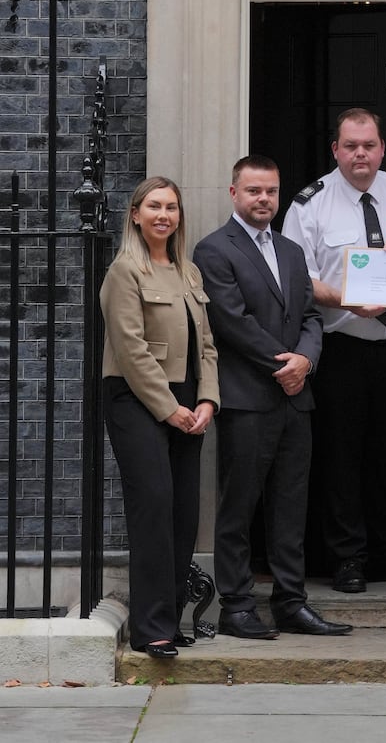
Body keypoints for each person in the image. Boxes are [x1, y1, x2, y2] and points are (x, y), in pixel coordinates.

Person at [281, 108, 386, 593]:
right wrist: (347, 298)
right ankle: (348, 557)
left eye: (369, 145)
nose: (361, 154)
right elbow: (298, 280)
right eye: (351, 146)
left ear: (382, 148)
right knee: (342, 458)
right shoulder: (310, 205)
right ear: (336, 149)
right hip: (342, 350)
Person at [194, 155, 351, 638]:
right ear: (234, 193)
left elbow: (309, 316)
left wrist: (305, 360)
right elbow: (231, 320)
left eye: (271, 191)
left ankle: (291, 602)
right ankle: (237, 606)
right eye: (254, 191)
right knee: (238, 506)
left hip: (294, 398)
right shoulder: (213, 250)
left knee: (290, 506)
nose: (264, 200)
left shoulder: (289, 250)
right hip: (246, 399)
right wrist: (285, 364)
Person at [101, 176, 220, 659]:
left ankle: (170, 620)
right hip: (137, 398)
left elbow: (207, 347)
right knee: (153, 504)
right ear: (136, 214)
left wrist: (207, 400)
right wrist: (170, 409)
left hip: (189, 400)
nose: (163, 215)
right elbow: (130, 351)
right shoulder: (124, 271)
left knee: (182, 512)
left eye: (171, 207)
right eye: (154, 206)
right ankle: (150, 629)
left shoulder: (189, 271)